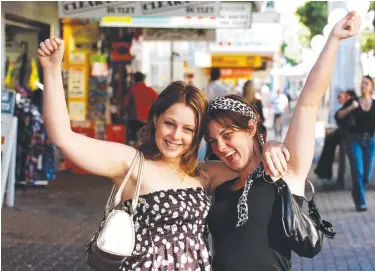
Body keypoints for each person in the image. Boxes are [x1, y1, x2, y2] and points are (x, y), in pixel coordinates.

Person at [36, 37, 288, 270]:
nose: (176, 136)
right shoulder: (131, 164)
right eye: (170, 123)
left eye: (188, 129)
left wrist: (270, 144)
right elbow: (63, 138)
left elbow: (253, 164)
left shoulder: (204, 173)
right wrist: (51, 70)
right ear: (156, 119)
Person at [203, 12, 360, 270]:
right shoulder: (220, 181)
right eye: (213, 140)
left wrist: (334, 39)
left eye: (227, 135)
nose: (220, 147)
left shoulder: (283, 171)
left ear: (251, 127)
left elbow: (308, 103)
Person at [336, 75, 375, 211]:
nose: (363, 85)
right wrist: (351, 108)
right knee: (357, 171)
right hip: (354, 140)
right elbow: (339, 115)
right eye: (362, 83)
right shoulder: (353, 101)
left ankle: (356, 191)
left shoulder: (374, 104)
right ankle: (361, 202)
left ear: (371, 86)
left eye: (366, 83)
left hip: (370, 141)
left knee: (366, 175)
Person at [314, 90, 352, 182]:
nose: (338, 99)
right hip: (341, 132)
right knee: (328, 141)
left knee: (329, 141)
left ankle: (324, 172)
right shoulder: (346, 106)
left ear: (347, 97)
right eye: (338, 97)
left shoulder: (350, 105)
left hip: (347, 134)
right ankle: (323, 172)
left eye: (340, 96)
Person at [124, 71, 158, 144]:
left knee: (134, 140)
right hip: (147, 120)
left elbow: (126, 103)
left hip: (135, 119)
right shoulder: (149, 90)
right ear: (143, 79)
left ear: (134, 79)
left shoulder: (133, 89)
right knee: (145, 140)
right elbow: (158, 101)